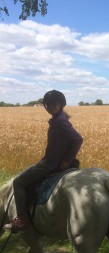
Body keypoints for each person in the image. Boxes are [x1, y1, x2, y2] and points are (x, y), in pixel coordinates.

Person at [4, 90, 83, 232]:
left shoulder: (59, 122)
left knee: (18, 182)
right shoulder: (60, 119)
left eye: (54, 104)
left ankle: (21, 219)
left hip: (49, 164)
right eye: (48, 104)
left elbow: (77, 139)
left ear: (61, 104)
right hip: (52, 161)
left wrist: (66, 160)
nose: (50, 107)